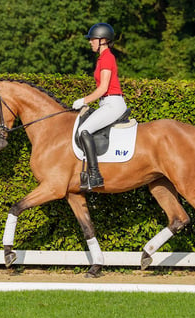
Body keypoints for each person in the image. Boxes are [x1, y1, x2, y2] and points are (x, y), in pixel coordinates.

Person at [72, 22, 128, 191]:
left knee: (84, 130)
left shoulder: (107, 58)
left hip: (113, 103)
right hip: (107, 103)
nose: (90, 42)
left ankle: (95, 175)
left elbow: (103, 88)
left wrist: (84, 101)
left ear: (102, 40)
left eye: (93, 39)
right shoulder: (102, 58)